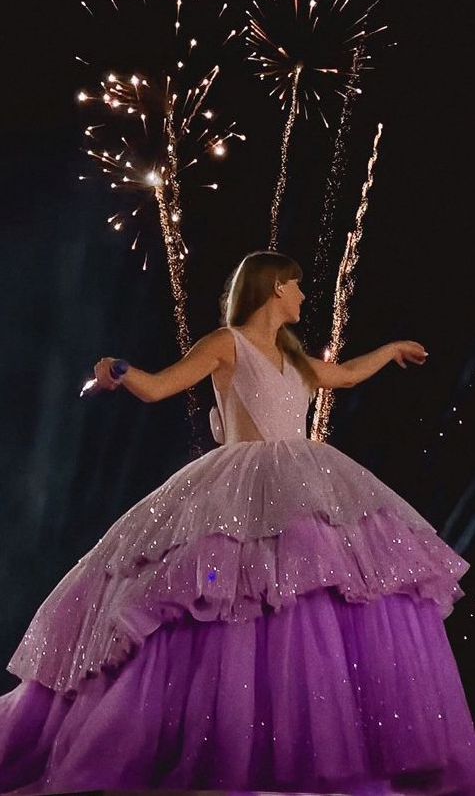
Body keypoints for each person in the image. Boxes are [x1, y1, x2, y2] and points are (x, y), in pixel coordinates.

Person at [0, 250, 474, 796]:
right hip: (241, 483)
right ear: (274, 288)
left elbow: (340, 376)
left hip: (302, 477)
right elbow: (159, 387)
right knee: (227, 591)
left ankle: (292, 744)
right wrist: (121, 371)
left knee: (311, 588)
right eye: (295, 287)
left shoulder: (293, 355)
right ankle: (215, 744)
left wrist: (390, 352)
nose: (300, 297)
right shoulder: (227, 344)